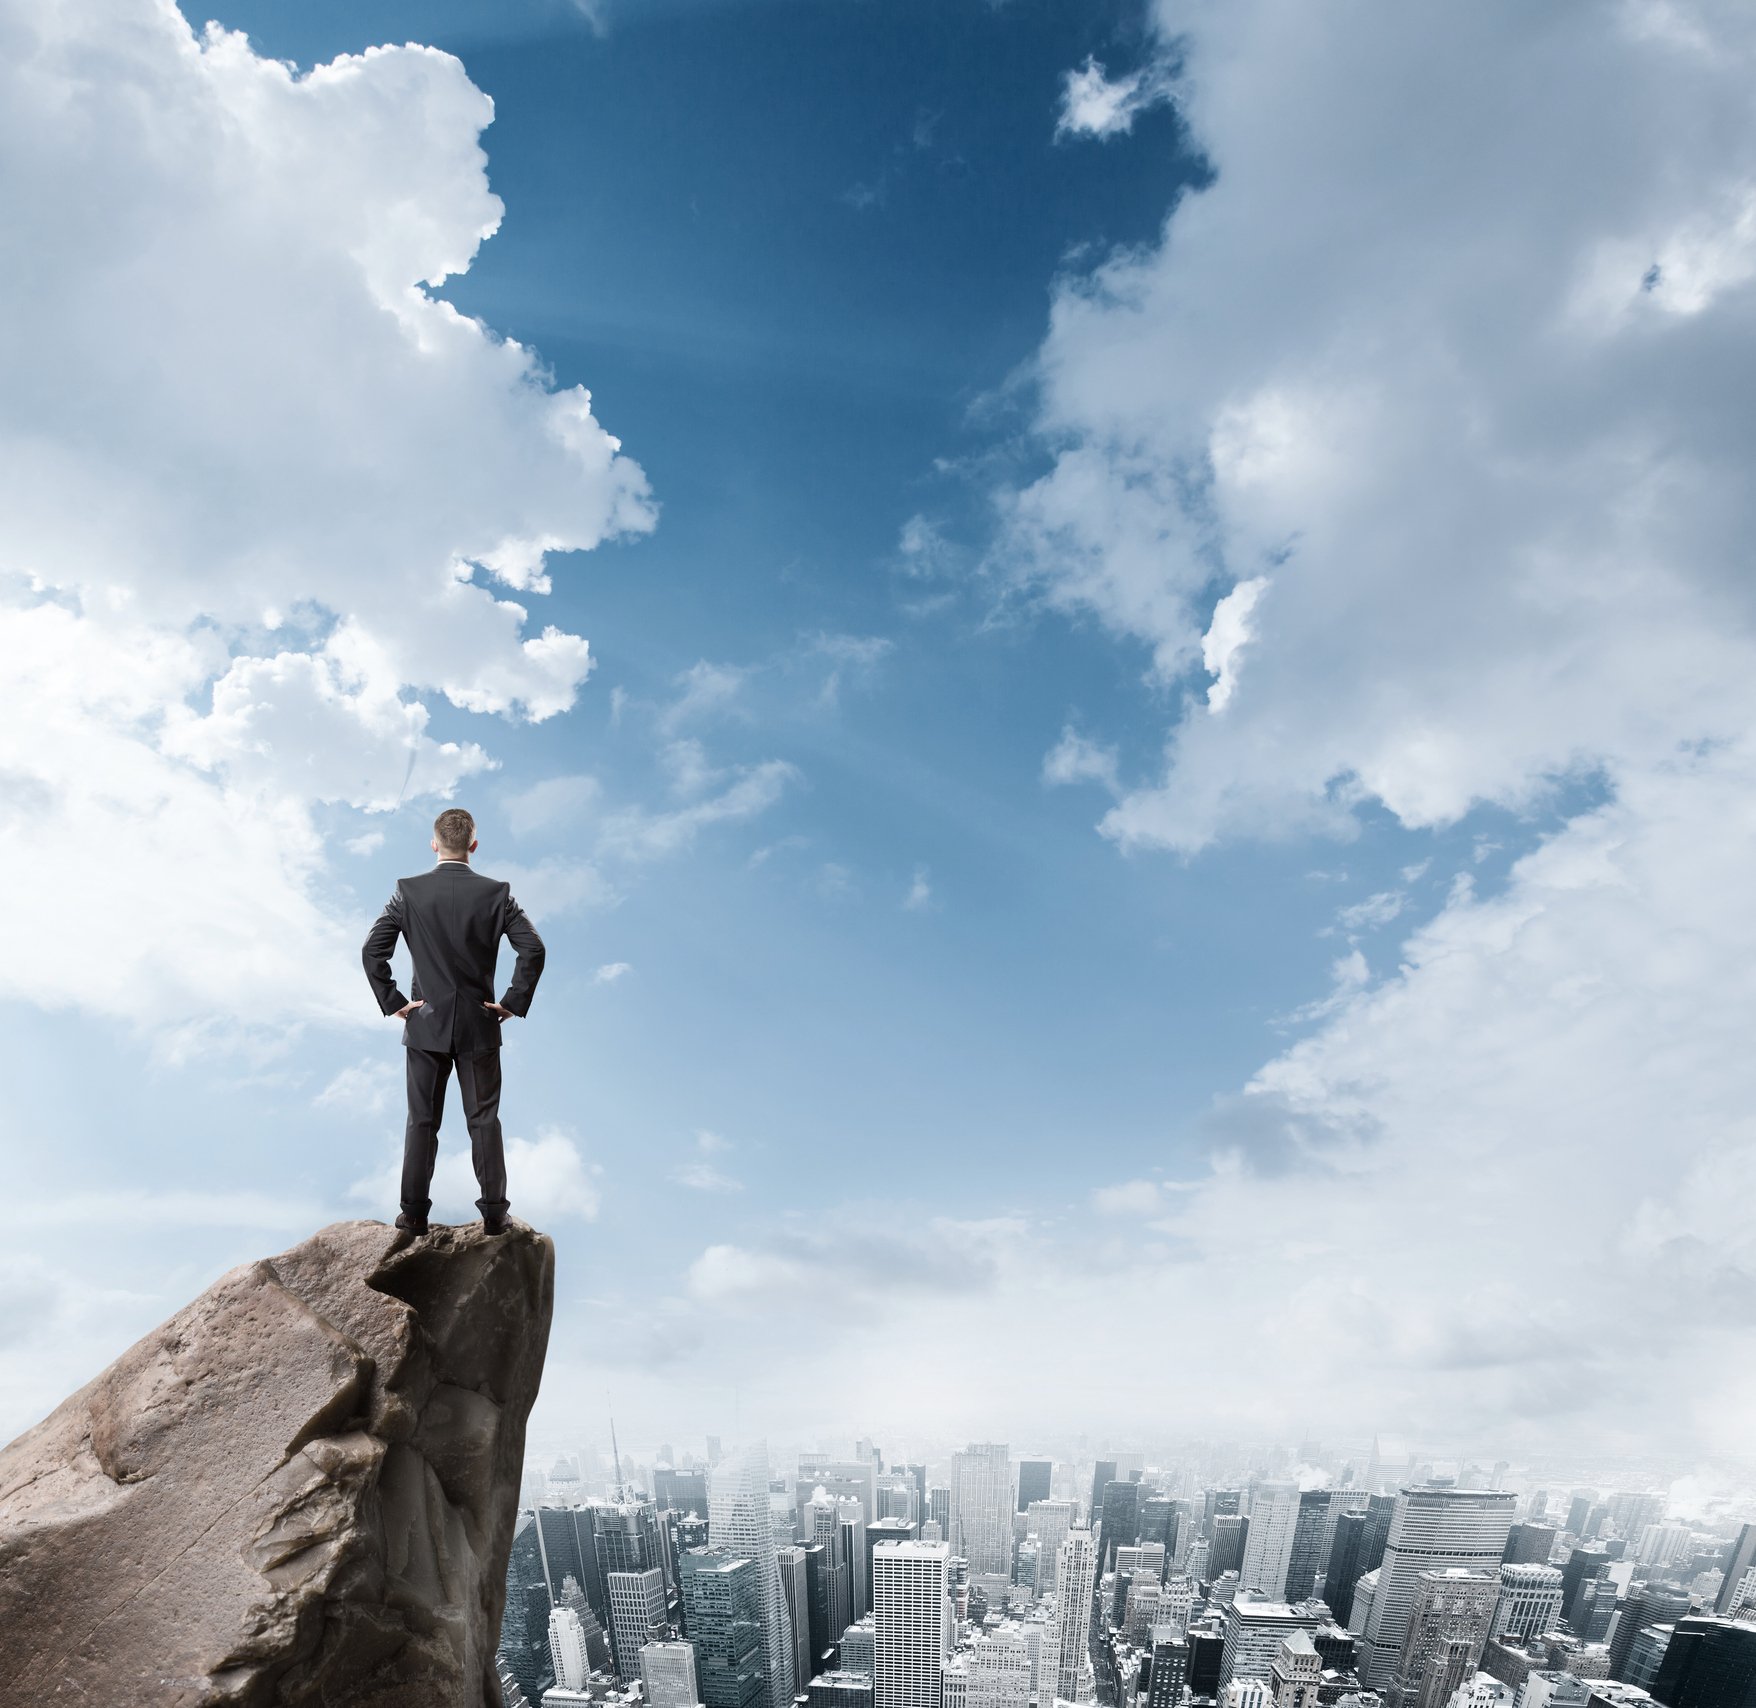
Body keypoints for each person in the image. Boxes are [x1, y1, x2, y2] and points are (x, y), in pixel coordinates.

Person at [361, 807, 546, 1236]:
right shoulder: (497, 894)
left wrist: (396, 1002)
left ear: (434, 844)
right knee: (484, 1121)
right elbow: (533, 950)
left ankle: (414, 1216)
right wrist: (511, 1003)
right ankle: (496, 1215)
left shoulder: (407, 891)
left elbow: (373, 951)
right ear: (473, 845)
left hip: (425, 1024)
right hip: (481, 1026)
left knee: (421, 1121)